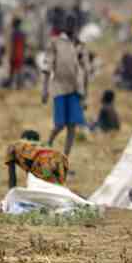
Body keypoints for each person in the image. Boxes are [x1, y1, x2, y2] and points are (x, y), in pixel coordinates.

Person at [42, 13, 89, 157]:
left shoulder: (80, 45)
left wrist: (85, 95)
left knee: (72, 126)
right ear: (64, 25)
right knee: (60, 124)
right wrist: (44, 90)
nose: (71, 27)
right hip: (59, 87)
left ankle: (65, 159)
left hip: (76, 89)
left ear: (76, 27)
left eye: (73, 24)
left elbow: (85, 70)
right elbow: (47, 66)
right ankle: (48, 144)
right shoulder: (56, 42)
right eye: (68, 23)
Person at [9, 17, 26, 89]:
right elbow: (24, 45)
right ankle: (19, 85)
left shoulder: (14, 33)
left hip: (15, 54)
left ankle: (11, 84)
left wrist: (11, 55)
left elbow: (13, 45)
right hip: (20, 54)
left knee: (12, 71)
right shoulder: (23, 33)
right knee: (19, 70)